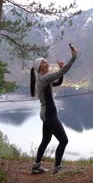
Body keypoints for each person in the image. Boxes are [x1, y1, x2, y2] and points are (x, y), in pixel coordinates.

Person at [30, 45, 78, 174]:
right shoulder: (44, 78)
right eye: (44, 63)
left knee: (45, 140)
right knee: (64, 140)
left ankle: (36, 166)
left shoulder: (42, 79)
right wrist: (73, 58)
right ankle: (57, 168)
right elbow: (60, 74)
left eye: (46, 62)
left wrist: (61, 68)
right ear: (39, 67)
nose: (47, 64)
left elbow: (58, 83)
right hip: (49, 114)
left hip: (46, 113)